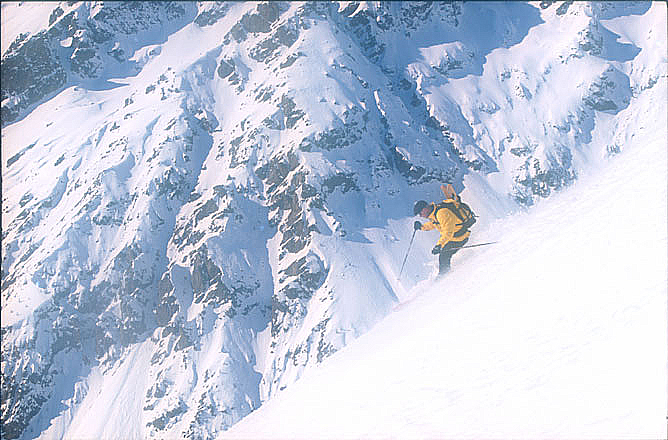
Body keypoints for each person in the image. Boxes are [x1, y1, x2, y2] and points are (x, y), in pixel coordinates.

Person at [413, 185, 474, 275]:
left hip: (460, 237)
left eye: (420, 213)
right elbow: (434, 224)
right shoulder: (434, 213)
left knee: (444, 255)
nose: (421, 216)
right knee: (444, 255)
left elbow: (448, 232)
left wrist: (439, 245)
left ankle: (444, 276)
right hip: (454, 237)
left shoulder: (441, 213)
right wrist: (421, 227)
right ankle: (444, 274)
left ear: (425, 209)